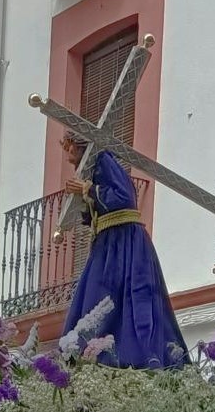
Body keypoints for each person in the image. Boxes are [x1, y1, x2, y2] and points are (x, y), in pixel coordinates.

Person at [59, 135, 188, 369]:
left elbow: (124, 197)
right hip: (108, 243)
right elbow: (94, 214)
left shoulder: (104, 160)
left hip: (122, 242)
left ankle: (130, 356)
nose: (70, 161)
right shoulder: (95, 168)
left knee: (125, 298)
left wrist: (87, 189)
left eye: (70, 152)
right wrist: (85, 197)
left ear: (81, 147)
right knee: (98, 299)